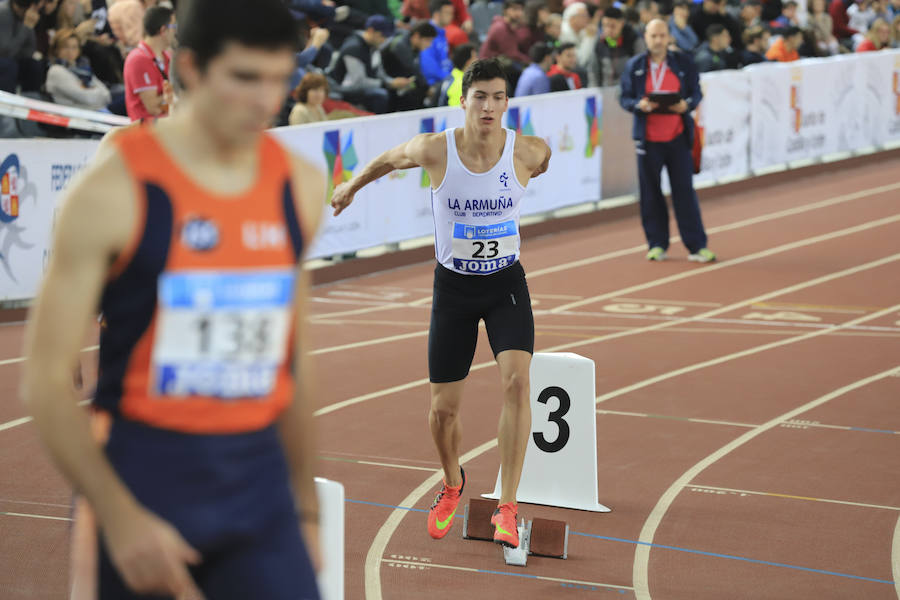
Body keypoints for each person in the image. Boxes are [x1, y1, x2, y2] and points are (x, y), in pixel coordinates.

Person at [22, 1, 326, 599]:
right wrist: (117, 514)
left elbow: (293, 358)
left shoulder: (300, 185)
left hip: (257, 484)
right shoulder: (113, 189)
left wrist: (308, 510)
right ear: (189, 67)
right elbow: (44, 381)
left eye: (277, 78)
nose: (265, 100)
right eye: (243, 78)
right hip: (145, 478)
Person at [330, 58, 551, 549]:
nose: (489, 106)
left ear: (507, 103)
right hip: (453, 289)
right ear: (464, 101)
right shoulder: (436, 149)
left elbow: (544, 161)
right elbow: (387, 159)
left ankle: (508, 505)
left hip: (505, 284)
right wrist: (349, 187)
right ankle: (453, 482)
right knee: (442, 412)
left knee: (517, 383)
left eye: (498, 97)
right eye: (480, 97)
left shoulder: (529, 151)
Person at [619, 19, 716, 263]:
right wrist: (638, 105)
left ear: (669, 37)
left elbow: (696, 92)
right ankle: (657, 244)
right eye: (654, 36)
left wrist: (687, 105)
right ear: (646, 37)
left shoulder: (683, 63)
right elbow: (624, 97)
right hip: (648, 140)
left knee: (684, 193)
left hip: (677, 138)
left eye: (663, 35)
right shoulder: (636, 65)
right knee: (650, 194)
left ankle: (696, 246)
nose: (658, 40)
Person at [328, 14, 405, 113]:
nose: (384, 40)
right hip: (345, 91)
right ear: (371, 31)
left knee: (396, 92)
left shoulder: (374, 47)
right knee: (380, 95)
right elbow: (358, 82)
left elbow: (379, 72)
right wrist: (386, 84)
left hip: (365, 88)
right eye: (382, 36)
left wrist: (392, 82)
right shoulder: (353, 48)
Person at [122, 4, 175, 121]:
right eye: (174, 26)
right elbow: (153, 108)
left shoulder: (167, 56)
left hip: (168, 124)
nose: (175, 31)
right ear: (163, 30)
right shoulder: (138, 59)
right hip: (149, 131)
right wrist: (176, 99)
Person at [45, 26, 112, 110]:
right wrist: (99, 95)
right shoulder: (56, 70)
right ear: (56, 49)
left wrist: (97, 96)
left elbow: (107, 94)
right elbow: (88, 98)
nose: (70, 52)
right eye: (66, 47)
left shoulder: (81, 68)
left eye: (74, 47)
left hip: (97, 112)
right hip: (78, 118)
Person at [419, 0, 454, 86]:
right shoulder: (427, 34)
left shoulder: (442, 32)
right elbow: (429, 68)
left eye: (451, 13)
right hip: (435, 84)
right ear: (436, 14)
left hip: (446, 80)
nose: (451, 16)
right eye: (447, 13)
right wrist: (452, 78)